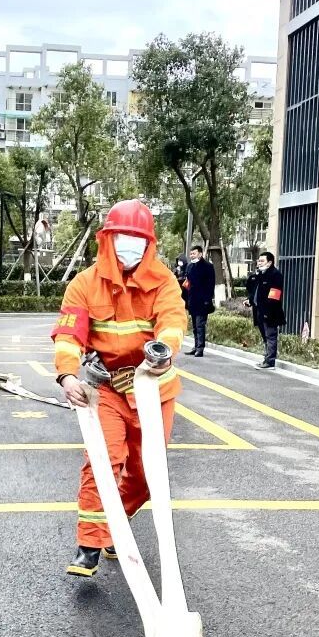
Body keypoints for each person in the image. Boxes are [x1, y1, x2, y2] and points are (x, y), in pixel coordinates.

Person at [52, 199, 188, 577]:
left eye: (138, 239)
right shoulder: (84, 284)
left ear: (149, 244)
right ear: (107, 239)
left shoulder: (163, 281)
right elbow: (68, 334)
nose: (130, 246)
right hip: (108, 388)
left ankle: (115, 527)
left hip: (153, 390)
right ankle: (89, 545)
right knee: (102, 462)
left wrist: (165, 351)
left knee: (147, 475)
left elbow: (172, 320)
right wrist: (67, 375)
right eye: (123, 237)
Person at [244, 251, 285, 370]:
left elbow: (274, 296)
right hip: (259, 311)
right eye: (259, 261)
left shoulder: (275, 275)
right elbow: (255, 292)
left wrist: (267, 311)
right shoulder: (261, 274)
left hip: (270, 312)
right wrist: (250, 300)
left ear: (270, 262)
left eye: (262, 261)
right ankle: (266, 358)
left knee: (270, 336)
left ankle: (270, 361)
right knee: (264, 337)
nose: (259, 263)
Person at [183, 245, 216, 357]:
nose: (192, 255)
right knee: (194, 326)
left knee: (200, 325)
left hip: (202, 301)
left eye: (194, 253)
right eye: (191, 254)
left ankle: (200, 348)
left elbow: (211, 285)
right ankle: (196, 346)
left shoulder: (208, 266)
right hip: (192, 300)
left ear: (200, 254)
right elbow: (187, 283)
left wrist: (207, 299)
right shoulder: (189, 266)